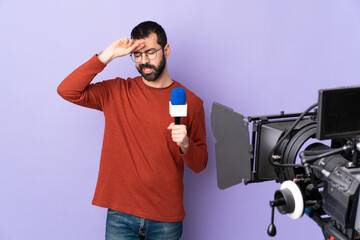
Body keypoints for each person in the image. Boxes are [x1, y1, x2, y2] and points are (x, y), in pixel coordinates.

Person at [57, 21, 208, 240]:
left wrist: (186, 145)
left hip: (166, 219)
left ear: (166, 50)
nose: (144, 61)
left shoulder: (191, 102)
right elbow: (67, 90)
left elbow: (200, 164)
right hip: (121, 216)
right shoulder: (117, 92)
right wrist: (107, 54)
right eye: (137, 55)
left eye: (151, 52)